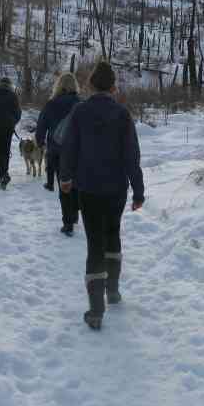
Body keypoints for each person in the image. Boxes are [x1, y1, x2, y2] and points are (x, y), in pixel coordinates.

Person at [59, 61, 145, 330]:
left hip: (89, 188)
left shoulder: (80, 112)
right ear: (113, 86)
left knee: (95, 241)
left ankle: (96, 309)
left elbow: (69, 147)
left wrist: (65, 177)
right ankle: (113, 290)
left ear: (91, 85)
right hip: (117, 188)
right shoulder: (122, 114)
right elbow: (132, 155)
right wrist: (139, 190)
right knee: (113, 234)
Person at [35, 72, 81, 236]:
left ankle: (68, 223)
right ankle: (74, 214)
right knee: (75, 184)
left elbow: (41, 125)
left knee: (64, 186)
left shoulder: (52, 104)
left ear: (59, 85)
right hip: (77, 152)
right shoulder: (81, 103)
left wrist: (40, 142)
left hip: (57, 150)